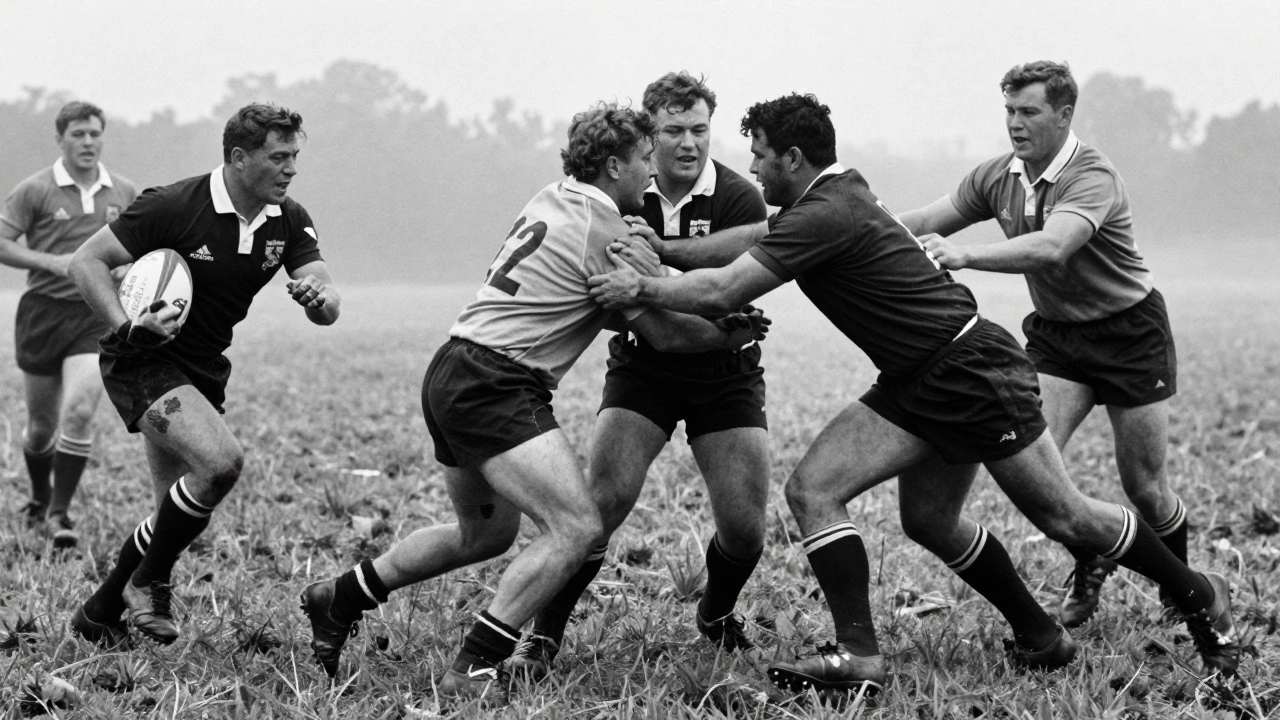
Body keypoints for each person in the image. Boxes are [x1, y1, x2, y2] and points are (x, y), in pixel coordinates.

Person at [589, 93, 1239, 696]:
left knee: (1066, 516)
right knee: (859, 500)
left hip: (970, 370)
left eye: (758, 153)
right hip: (916, 377)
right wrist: (667, 251)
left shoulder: (824, 212)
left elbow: (724, 291)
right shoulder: (835, 195)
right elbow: (755, 241)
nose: (751, 166)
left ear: (791, 157)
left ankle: (1196, 594)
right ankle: (990, 642)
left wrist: (639, 288)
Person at [298, 103, 768, 699]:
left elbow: (573, 301)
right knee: (575, 527)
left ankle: (338, 596)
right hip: (498, 383)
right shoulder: (609, 235)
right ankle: (474, 663)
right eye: (646, 159)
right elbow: (668, 335)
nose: (651, 174)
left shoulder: (550, 197)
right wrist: (733, 327)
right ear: (615, 163)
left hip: (452, 365)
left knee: (483, 535)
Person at [901, 61, 1187, 628]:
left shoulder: (1093, 176)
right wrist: (850, 225)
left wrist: (965, 255)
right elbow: (927, 218)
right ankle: (1092, 552)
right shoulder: (997, 175)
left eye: (1028, 112)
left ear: (1063, 114)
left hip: (1130, 335)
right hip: (1059, 340)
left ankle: (1183, 592)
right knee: (1034, 476)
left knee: (1145, 487)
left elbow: (1053, 247)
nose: (1015, 123)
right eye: (1008, 111)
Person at [511, 72, 771, 680]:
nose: (689, 143)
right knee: (601, 505)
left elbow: (731, 295)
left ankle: (714, 611)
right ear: (648, 137)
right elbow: (599, 298)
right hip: (643, 369)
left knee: (745, 529)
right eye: (673, 131)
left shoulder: (740, 200)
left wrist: (656, 286)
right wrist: (651, 309)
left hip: (724, 371)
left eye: (700, 130)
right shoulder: (621, 193)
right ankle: (542, 637)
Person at [65, 103, 339, 649]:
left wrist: (320, 298)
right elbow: (85, 263)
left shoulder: (288, 217)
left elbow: (326, 299)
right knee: (220, 464)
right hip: (142, 361)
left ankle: (99, 612)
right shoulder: (174, 205)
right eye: (278, 157)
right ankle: (148, 584)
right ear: (239, 158)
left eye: (294, 157)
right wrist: (128, 327)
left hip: (203, 370)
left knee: (178, 513)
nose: (290, 169)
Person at [0, 101, 138, 548]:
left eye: (94, 133)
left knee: (78, 410)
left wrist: (124, 270)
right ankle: (40, 498)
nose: (87, 142)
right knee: (40, 426)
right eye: (77, 134)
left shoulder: (125, 192)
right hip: (42, 312)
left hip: (92, 316)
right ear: (60, 139)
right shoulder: (35, 189)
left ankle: (59, 514)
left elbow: (141, 249)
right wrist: (53, 262)